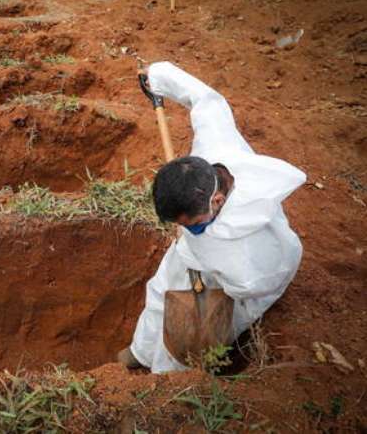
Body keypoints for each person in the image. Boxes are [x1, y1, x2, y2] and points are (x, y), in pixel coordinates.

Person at [117, 61, 306, 373]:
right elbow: (206, 100)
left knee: (192, 329)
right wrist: (158, 77)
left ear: (216, 201)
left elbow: (243, 288)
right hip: (200, 255)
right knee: (161, 287)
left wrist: (202, 284)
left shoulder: (243, 261)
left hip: (240, 283)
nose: (183, 228)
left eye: (189, 224)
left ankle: (164, 380)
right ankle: (140, 351)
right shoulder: (215, 150)